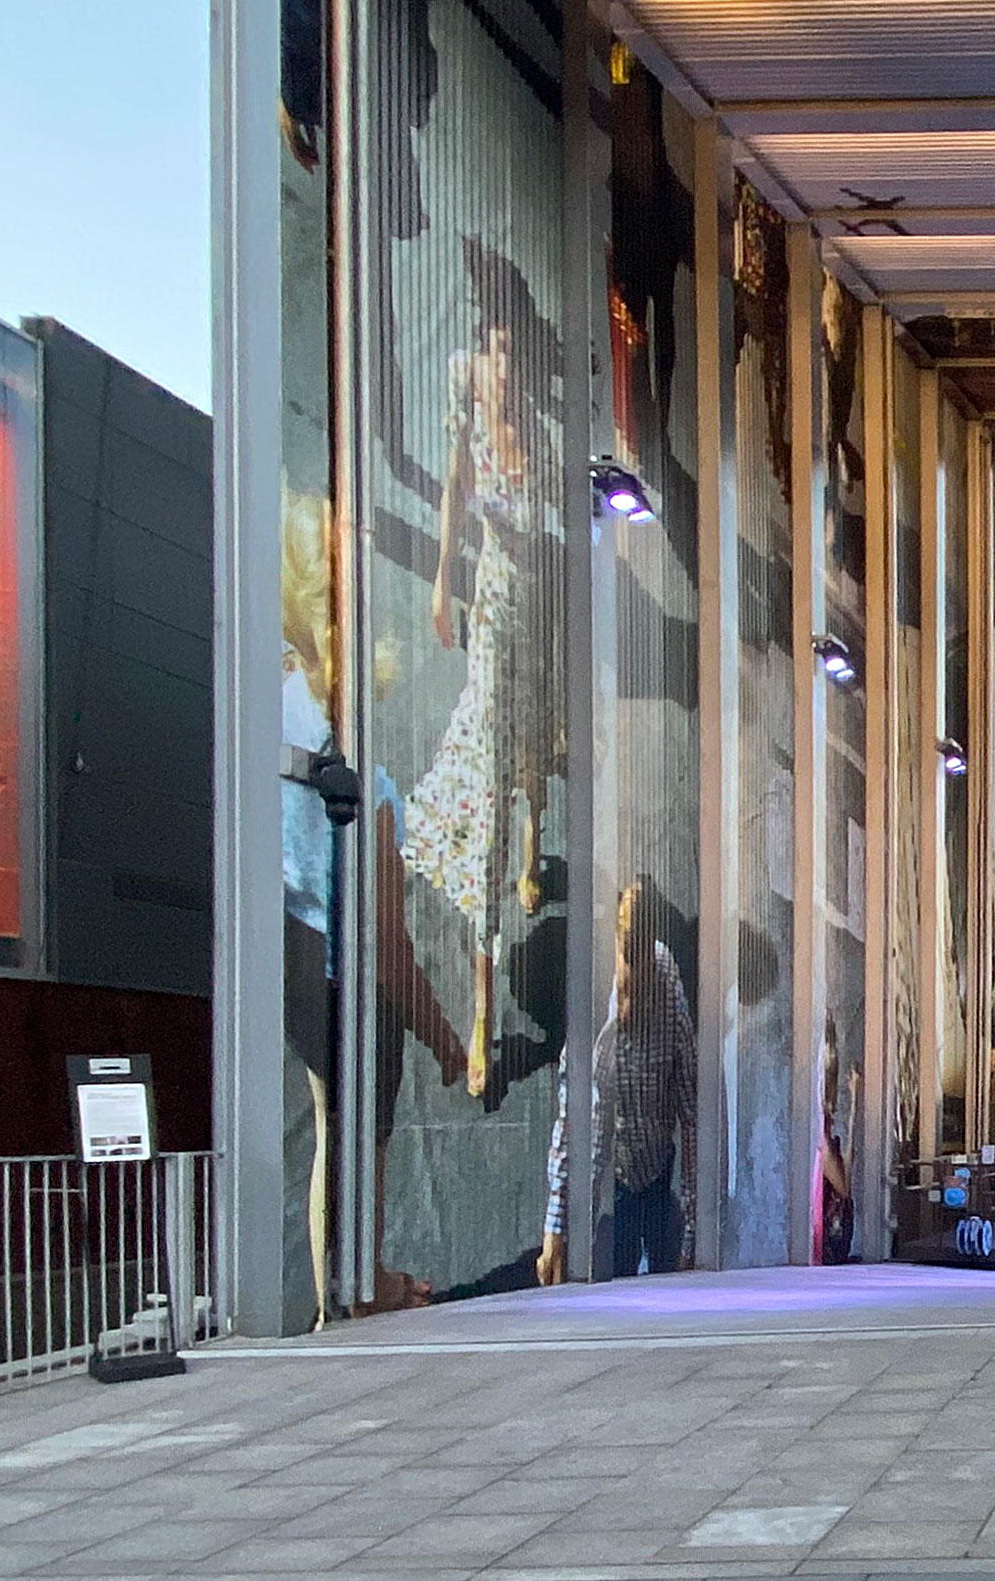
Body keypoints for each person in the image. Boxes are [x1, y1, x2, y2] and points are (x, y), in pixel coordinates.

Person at [399, 241, 552, 1100]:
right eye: (495, 348)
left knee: (534, 744)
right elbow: (456, 481)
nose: (502, 368)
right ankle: (484, 1006)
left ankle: (534, 840)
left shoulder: (541, 434)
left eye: (512, 355)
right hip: (493, 600)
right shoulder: (464, 380)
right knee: (487, 784)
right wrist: (441, 576)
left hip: (535, 605)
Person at [541, 884, 698, 1283]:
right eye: (627, 958)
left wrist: (692, 1237)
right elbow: (577, 1121)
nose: (633, 978)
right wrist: (558, 1228)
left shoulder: (668, 991)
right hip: (613, 1179)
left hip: (656, 1169)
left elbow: (692, 1115)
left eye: (640, 961)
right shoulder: (593, 993)